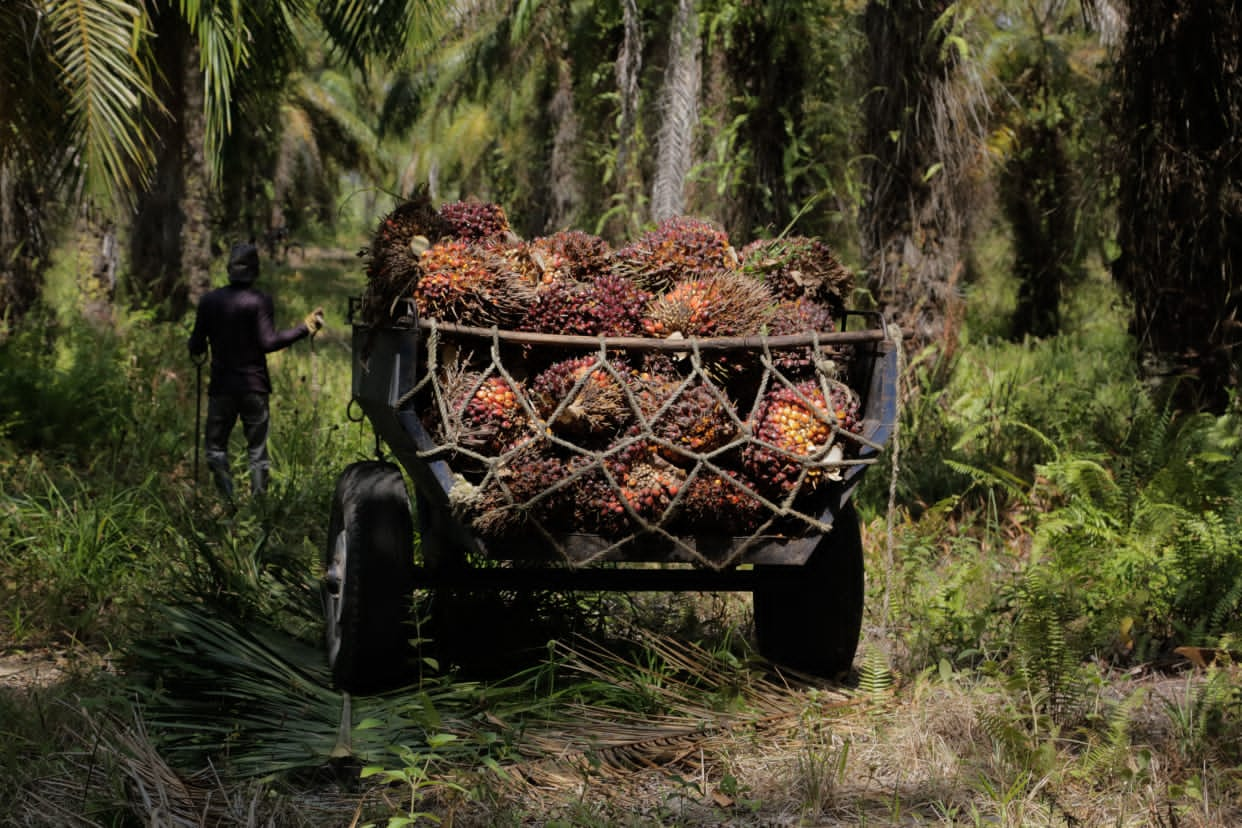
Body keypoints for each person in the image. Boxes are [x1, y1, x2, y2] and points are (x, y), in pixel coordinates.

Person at [188, 242, 324, 498]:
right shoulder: (259, 301)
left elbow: (196, 345)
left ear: (229, 269)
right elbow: (268, 342)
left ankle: (228, 500)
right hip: (254, 387)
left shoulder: (209, 301)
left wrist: (201, 344)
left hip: (222, 388)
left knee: (215, 449)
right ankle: (259, 506)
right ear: (255, 271)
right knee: (257, 452)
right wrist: (304, 329)